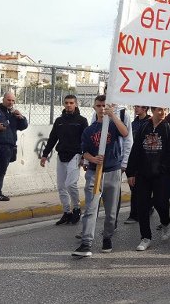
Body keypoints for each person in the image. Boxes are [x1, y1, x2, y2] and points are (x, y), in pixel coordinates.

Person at [72, 95, 129, 257]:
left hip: (112, 171)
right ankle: (86, 243)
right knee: (91, 208)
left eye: (104, 105)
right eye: (99, 106)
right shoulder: (89, 130)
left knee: (111, 211)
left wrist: (113, 115)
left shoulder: (113, 125)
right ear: (94, 107)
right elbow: (84, 151)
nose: (102, 108)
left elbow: (125, 133)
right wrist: (92, 159)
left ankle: (107, 237)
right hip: (94, 172)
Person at [126, 105, 170, 252]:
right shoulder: (144, 127)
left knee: (161, 202)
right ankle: (145, 237)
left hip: (161, 175)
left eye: (165, 109)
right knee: (142, 205)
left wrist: (167, 170)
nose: (163, 112)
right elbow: (136, 149)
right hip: (143, 173)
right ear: (153, 111)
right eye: (160, 109)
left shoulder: (168, 129)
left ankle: (165, 222)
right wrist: (131, 172)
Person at [39, 95, 88, 225]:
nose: (68, 105)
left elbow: (86, 140)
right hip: (61, 155)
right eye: (66, 103)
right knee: (61, 186)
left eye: (71, 103)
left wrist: (84, 157)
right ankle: (67, 212)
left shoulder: (82, 121)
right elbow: (52, 138)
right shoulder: (59, 121)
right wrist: (45, 155)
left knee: (70, 184)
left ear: (76, 104)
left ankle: (76, 208)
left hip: (75, 155)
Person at [124, 105, 152, 225]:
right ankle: (143, 209)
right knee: (134, 187)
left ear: (145, 108)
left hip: (145, 159)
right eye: (135, 107)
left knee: (138, 189)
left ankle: (135, 214)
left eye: (139, 107)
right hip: (133, 158)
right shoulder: (133, 124)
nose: (136, 109)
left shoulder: (149, 123)